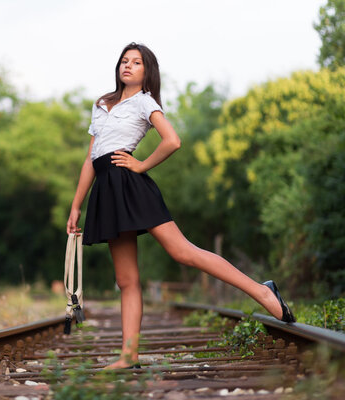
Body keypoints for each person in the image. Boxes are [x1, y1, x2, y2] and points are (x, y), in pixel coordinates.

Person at [66, 42, 296, 370]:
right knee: (126, 279)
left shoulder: (145, 102)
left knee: (182, 252)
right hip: (106, 190)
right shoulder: (102, 104)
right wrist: (76, 205)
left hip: (131, 185)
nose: (127, 66)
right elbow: (91, 158)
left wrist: (142, 165)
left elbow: (172, 141)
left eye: (136, 62)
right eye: (124, 61)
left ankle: (261, 291)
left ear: (148, 72)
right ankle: (128, 356)